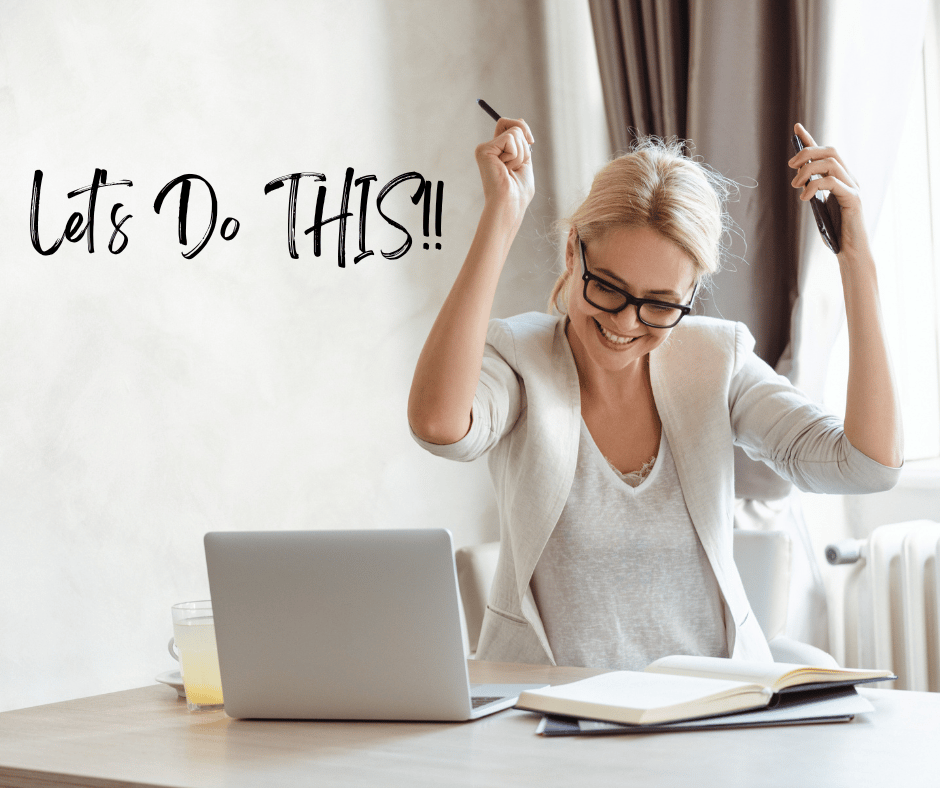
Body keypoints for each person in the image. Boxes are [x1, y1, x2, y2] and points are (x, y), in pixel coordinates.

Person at [407, 117, 902, 669]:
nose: (626, 321)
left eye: (661, 303)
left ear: (692, 292)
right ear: (573, 252)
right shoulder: (521, 357)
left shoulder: (716, 360)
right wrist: (501, 218)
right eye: (608, 287)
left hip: (706, 716)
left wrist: (857, 263)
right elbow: (438, 426)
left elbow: (867, 466)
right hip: (551, 719)